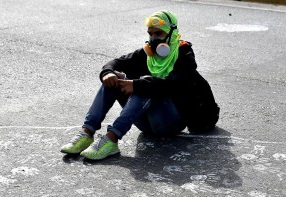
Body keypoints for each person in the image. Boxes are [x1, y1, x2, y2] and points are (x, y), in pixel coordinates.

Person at [60, 10, 220, 160]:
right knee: (114, 79)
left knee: (144, 85)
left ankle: (111, 139)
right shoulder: (148, 54)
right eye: (150, 34)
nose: (153, 39)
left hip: (171, 122)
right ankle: (86, 133)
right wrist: (107, 73)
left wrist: (137, 85)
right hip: (147, 125)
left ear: (171, 33)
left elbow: (173, 84)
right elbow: (116, 62)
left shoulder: (185, 56)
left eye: (159, 33)